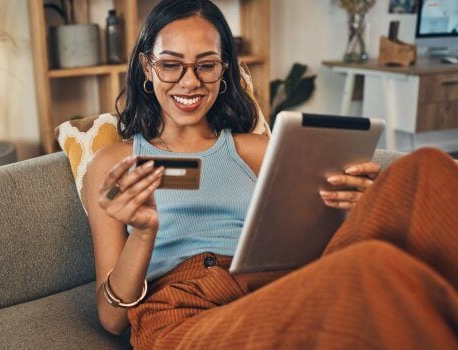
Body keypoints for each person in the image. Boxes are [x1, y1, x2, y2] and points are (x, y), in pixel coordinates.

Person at [84, 1, 458, 349]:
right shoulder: (115, 162)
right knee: (369, 267)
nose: (189, 81)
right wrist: (145, 233)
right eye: (171, 64)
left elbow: (310, 237)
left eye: (206, 64)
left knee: (427, 168)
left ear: (224, 69)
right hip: (182, 310)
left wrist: (359, 205)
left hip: (270, 284)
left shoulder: (259, 148)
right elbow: (113, 319)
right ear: (148, 67)